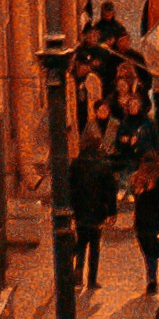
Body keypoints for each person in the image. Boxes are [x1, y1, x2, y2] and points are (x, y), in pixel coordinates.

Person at [68, 126, 118, 294]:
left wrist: (71, 209)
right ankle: (92, 279)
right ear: (98, 146)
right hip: (97, 211)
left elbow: (70, 188)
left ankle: (78, 273)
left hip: (80, 209)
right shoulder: (104, 165)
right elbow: (111, 190)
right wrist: (112, 211)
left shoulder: (75, 164)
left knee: (82, 241)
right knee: (95, 244)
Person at [130, 155, 159, 297]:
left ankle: (151, 278)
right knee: (156, 249)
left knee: (148, 251)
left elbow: (134, 196)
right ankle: (158, 277)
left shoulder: (136, 179)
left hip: (141, 220)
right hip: (157, 220)